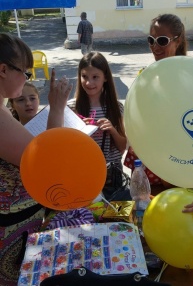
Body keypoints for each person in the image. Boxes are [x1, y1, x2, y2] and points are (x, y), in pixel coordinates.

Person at [0, 33, 71, 285]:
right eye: (25, 72)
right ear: (3, 70)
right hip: (9, 229)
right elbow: (45, 162)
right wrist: (58, 107)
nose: (28, 79)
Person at [124, 13, 188, 195]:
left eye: (161, 40)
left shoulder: (190, 75)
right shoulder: (145, 75)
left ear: (178, 40)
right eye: (151, 40)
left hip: (178, 157)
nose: (155, 46)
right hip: (148, 157)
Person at [67, 51, 127, 200]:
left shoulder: (116, 107)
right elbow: (65, 149)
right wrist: (79, 132)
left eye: (95, 77)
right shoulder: (71, 108)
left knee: (112, 218)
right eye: (84, 77)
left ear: (105, 77)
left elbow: (122, 146)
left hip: (111, 178)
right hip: (82, 175)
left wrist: (112, 129)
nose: (89, 83)